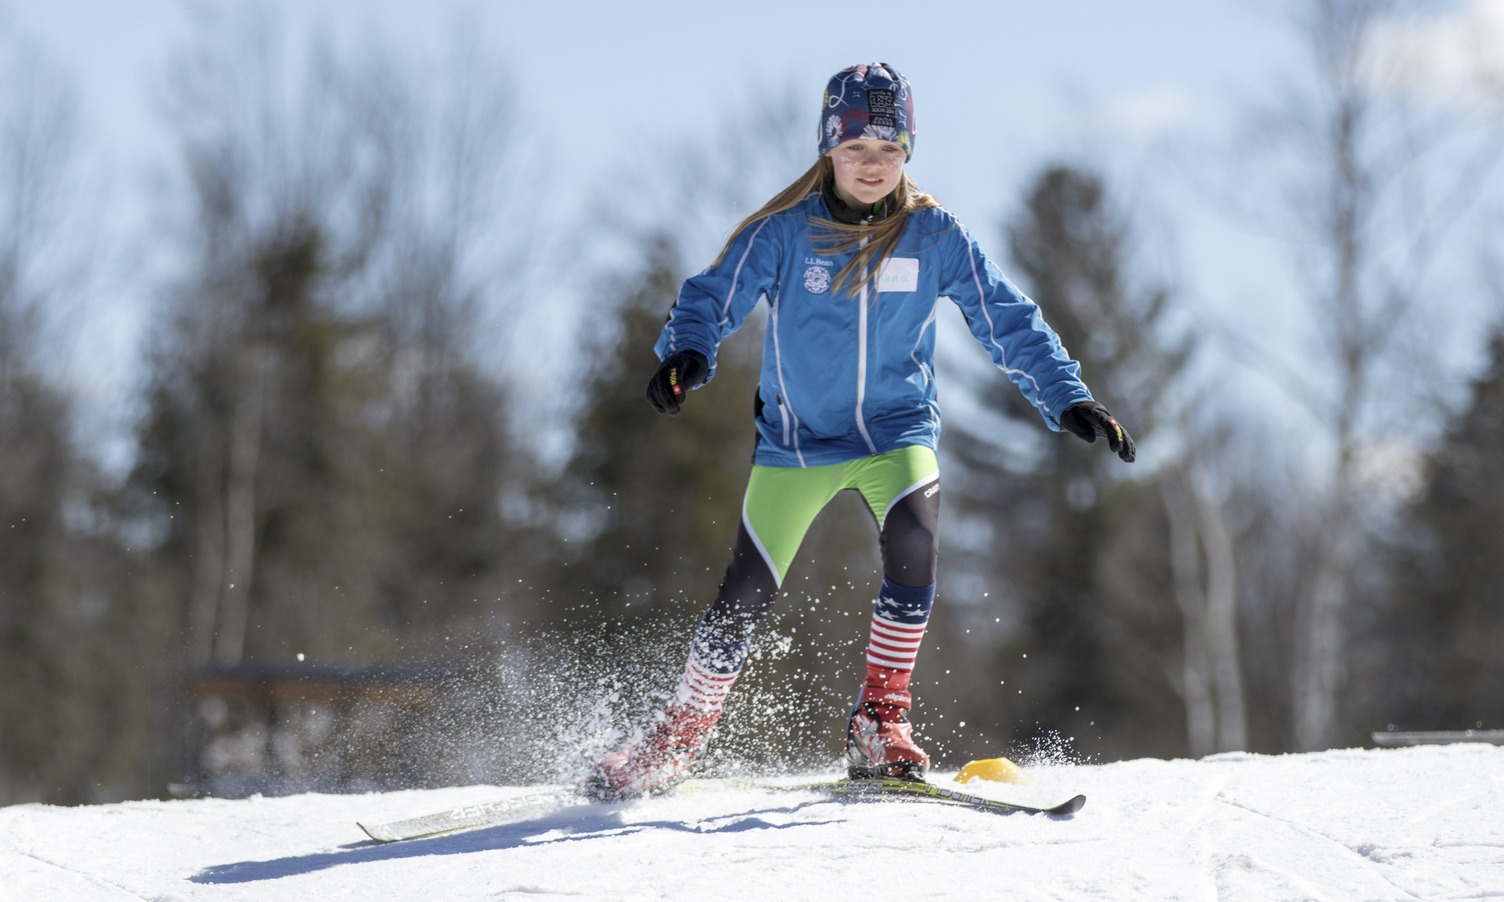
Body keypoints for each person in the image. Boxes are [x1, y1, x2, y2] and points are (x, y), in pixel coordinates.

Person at [586, 63, 1134, 801]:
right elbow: (711, 296)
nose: (872, 167)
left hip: (895, 436)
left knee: (915, 546)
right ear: (829, 152)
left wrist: (1068, 398)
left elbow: (1007, 318)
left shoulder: (933, 236)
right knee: (742, 596)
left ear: (907, 154)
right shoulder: (782, 235)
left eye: (888, 152)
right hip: (797, 444)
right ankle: (676, 737)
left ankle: (880, 719)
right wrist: (688, 353)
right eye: (855, 152)